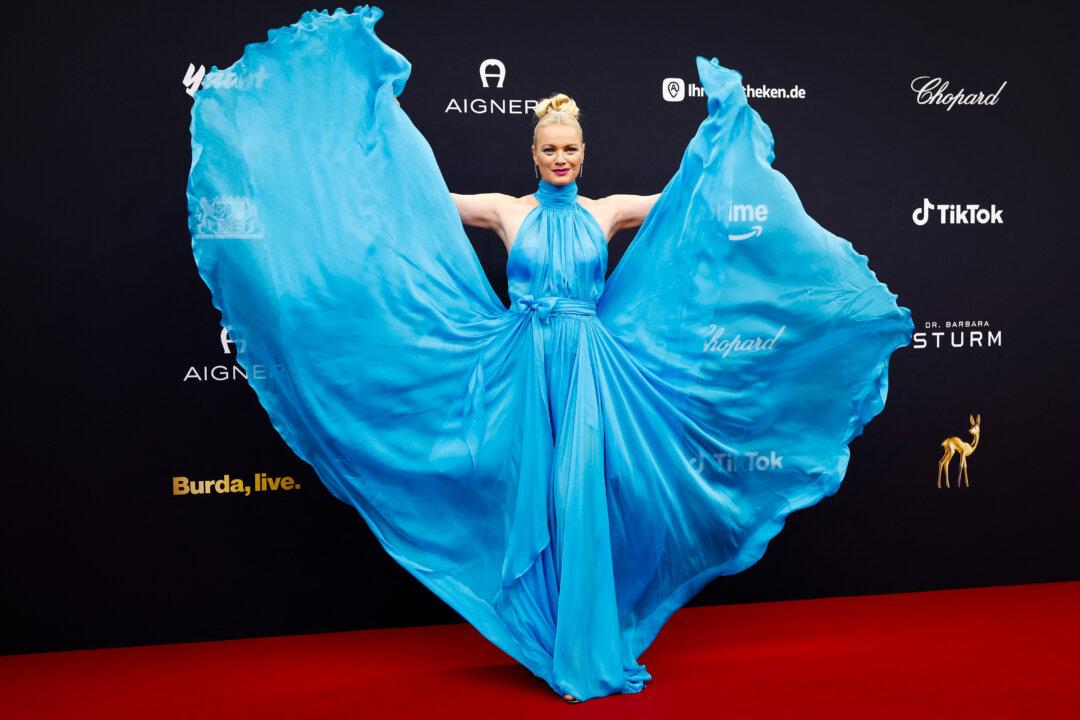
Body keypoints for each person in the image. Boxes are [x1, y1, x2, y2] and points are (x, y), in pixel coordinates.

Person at [186, 6, 914, 704]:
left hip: (593, 372)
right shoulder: (509, 211)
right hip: (519, 369)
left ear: (582, 153)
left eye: (571, 149)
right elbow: (414, 199)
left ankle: (585, 652)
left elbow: (696, 202)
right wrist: (347, 147)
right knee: (537, 501)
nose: (561, 158)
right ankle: (553, 642)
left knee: (581, 499)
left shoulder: (609, 211)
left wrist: (725, 139)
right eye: (550, 149)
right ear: (533, 153)